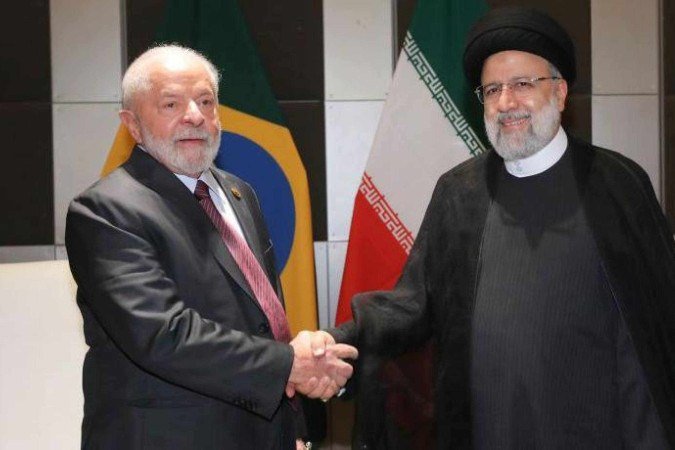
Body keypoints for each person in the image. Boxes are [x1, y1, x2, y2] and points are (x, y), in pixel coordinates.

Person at [311, 6, 675, 449]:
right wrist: (337, 345)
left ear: (560, 92)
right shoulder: (460, 193)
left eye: (523, 84)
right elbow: (411, 307)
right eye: (492, 90)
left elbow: (658, 327)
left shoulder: (618, 186)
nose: (506, 103)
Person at [65, 45, 357, 450]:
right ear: (132, 124)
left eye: (205, 101)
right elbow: (163, 335)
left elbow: (265, 319)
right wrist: (290, 365)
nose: (195, 116)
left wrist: (288, 429)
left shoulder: (238, 193)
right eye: (171, 104)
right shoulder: (104, 210)